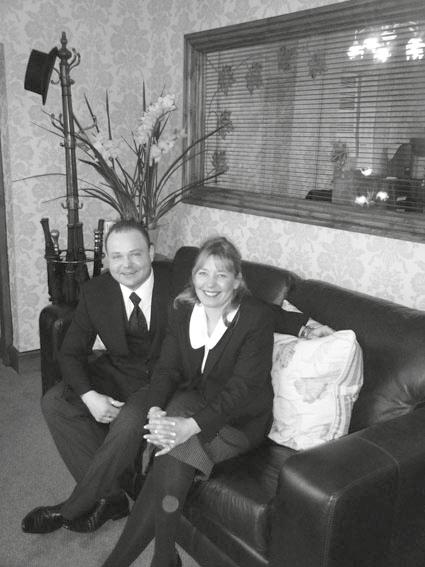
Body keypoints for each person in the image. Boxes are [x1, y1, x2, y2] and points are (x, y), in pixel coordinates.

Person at [100, 235, 329, 567]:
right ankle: (162, 559)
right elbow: (166, 368)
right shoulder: (183, 309)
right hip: (194, 403)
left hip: (239, 421)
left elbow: (241, 390)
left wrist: (189, 426)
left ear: (236, 281)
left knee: (173, 448)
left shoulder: (252, 317)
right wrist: (155, 409)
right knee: (171, 440)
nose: (210, 283)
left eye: (222, 274)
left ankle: (144, 560)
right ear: (193, 277)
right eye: (203, 273)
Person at [21, 219, 171, 535]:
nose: (127, 265)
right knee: (55, 402)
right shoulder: (96, 291)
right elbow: (70, 352)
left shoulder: (180, 284)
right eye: (117, 256)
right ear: (106, 259)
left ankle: (71, 508)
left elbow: (233, 304)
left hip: (165, 379)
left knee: (129, 420)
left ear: (151, 252)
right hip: (120, 371)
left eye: (135, 254)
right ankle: (112, 497)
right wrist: (90, 396)